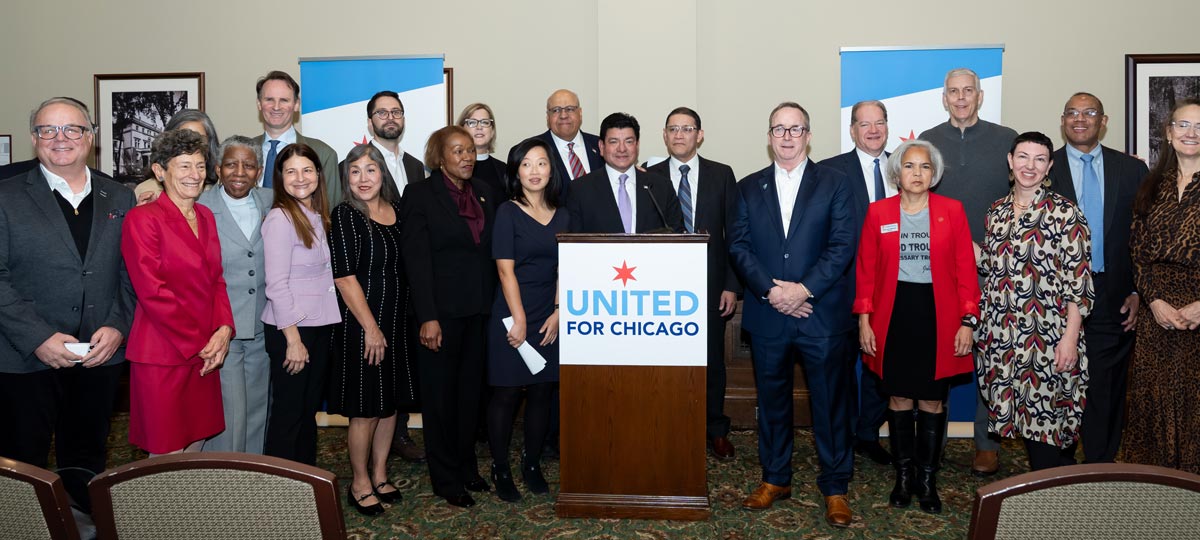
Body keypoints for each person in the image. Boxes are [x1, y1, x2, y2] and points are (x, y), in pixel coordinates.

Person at [0, 97, 135, 514]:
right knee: (24, 466)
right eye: (48, 130)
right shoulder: (5, 197)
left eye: (72, 129)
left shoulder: (120, 196)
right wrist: (38, 337)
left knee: (86, 462)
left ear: (90, 137)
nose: (60, 139)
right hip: (25, 358)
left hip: (99, 354)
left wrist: (117, 327)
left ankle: (85, 525)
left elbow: (131, 276)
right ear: (34, 139)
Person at [728, 102, 857, 528]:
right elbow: (740, 246)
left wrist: (802, 290)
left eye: (795, 129)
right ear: (769, 136)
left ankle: (835, 487)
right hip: (769, 315)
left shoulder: (835, 183)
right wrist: (771, 291)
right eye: (779, 129)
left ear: (808, 135)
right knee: (773, 402)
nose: (787, 136)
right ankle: (775, 478)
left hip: (819, 315)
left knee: (830, 404)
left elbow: (842, 245)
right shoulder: (749, 187)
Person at [854, 140, 979, 513]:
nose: (917, 173)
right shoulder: (879, 213)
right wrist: (864, 321)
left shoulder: (951, 211)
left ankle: (927, 479)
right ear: (897, 172)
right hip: (892, 316)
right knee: (898, 398)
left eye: (925, 167)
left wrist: (967, 321)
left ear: (934, 174)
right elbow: (866, 272)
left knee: (931, 399)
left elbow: (965, 271)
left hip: (937, 315)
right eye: (909, 166)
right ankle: (903, 477)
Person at [919, 67, 1018, 476]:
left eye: (968, 91)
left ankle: (986, 441)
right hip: (937, 269)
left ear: (980, 96)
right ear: (944, 98)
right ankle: (932, 440)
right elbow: (917, 200)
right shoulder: (927, 141)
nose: (960, 98)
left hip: (993, 270)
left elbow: (1023, 198)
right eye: (953, 92)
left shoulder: (1006, 139)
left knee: (989, 357)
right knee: (939, 356)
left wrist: (991, 248)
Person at [976, 131, 1093, 471]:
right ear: (1011, 162)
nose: (1030, 165)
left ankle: (1048, 502)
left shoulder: (1065, 213)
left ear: (1049, 166)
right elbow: (992, 265)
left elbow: (1079, 284)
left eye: (1039, 159)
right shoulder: (996, 211)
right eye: (1023, 157)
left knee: (1046, 422)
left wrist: (1070, 339)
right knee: (1021, 419)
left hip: (1047, 337)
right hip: (1002, 336)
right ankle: (1046, 491)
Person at [121, 128, 235, 455]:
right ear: (160, 171)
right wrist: (202, 343)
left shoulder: (206, 216)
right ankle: (158, 509)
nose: (194, 174)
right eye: (184, 166)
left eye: (200, 166)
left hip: (206, 352)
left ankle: (189, 507)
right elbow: (152, 292)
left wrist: (224, 330)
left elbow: (217, 280)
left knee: (197, 440)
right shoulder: (142, 220)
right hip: (163, 354)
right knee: (166, 452)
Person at [1047, 92, 1147, 464]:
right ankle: (1058, 467)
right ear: (1063, 120)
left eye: (1089, 113)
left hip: (1112, 293)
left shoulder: (1131, 169)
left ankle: (1099, 467)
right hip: (1056, 296)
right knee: (1060, 378)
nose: (1080, 119)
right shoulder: (1044, 166)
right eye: (1072, 112)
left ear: (1102, 122)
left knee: (1105, 386)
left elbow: (1145, 235)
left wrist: (1138, 289)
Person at [402, 126, 498, 508]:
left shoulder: (486, 193)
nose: (467, 157)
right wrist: (428, 316)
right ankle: (445, 478)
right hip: (439, 317)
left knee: (470, 398)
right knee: (441, 401)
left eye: (470, 150)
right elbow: (416, 260)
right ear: (440, 158)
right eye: (457, 151)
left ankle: (466, 466)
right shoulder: (420, 195)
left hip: (479, 314)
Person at [645, 106, 741, 460]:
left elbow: (734, 234)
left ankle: (715, 428)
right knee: (665, 360)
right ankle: (671, 425)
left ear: (699, 135)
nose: (680, 135)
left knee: (711, 360)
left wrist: (731, 284)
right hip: (661, 287)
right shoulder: (648, 176)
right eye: (673, 129)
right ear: (665, 135)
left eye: (687, 129)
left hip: (711, 285)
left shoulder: (722, 175)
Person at [327, 144, 411, 515]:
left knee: (390, 404)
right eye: (355, 172)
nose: (363, 179)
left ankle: (380, 474)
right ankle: (359, 482)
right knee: (366, 409)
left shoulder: (397, 212)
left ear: (383, 174)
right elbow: (345, 278)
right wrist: (372, 329)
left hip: (397, 322)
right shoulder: (346, 214)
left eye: (371, 170)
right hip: (364, 325)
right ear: (347, 178)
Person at [486, 137, 568, 503]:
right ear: (516, 172)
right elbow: (505, 271)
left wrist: (558, 312)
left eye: (541, 163)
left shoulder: (565, 215)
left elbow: (568, 267)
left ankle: (531, 463)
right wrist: (518, 320)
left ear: (551, 170)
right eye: (526, 164)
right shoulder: (507, 211)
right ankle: (500, 466)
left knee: (541, 393)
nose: (535, 171)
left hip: (549, 315)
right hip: (511, 314)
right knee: (505, 394)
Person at [1122, 98, 1200, 474]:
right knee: (1153, 400)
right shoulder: (1151, 186)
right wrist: (1153, 301)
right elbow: (1137, 252)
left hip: (1199, 310)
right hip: (1158, 312)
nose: (1191, 133)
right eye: (1183, 125)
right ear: (1169, 134)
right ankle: (1156, 491)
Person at [818, 100, 895, 465]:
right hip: (843, 287)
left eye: (879, 123)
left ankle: (868, 432)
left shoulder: (906, 167)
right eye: (865, 124)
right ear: (852, 130)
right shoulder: (829, 171)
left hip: (894, 289)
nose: (873, 130)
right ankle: (843, 433)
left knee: (882, 367)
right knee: (842, 366)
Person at [261, 143, 341, 466]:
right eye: (291, 171)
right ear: (280, 178)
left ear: (319, 175)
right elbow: (276, 285)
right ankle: (277, 494)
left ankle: (305, 484)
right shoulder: (280, 218)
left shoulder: (317, 215)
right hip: (291, 331)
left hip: (319, 327)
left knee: (307, 413)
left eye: (307, 170)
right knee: (289, 415)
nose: (300, 178)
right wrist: (293, 340)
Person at [198, 135, 273, 454]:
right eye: (231, 164)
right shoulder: (199, 206)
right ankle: (222, 481)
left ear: (259, 171)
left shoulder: (272, 201)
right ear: (217, 168)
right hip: (220, 329)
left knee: (258, 408)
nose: (239, 172)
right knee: (229, 413)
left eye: (248, 165)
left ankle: (252, 476)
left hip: (262, 325)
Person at [566, 112, 683, 234]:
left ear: (637, 145)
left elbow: (677, 234)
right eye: (613, 142)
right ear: (601, 146)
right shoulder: (580, 190)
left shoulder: (661, 187)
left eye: (628, 141)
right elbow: (574, 242)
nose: (622, 149)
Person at [252, 71, 340, 202]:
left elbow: (331, 208)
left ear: (296, 104)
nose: (276, 107)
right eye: (269, 100)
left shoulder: (323, 154)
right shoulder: (245, 151)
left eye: (284, 100)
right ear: (259, 104)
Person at [134, 109, 221, 205]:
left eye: (199, 139)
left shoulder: (220, 189)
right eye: (184, 139)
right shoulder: (148, 191)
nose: (191, 146)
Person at [530, 89, 604, 199]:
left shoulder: (602, 146)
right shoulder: (531, 150)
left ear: (580, 112)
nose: (563, 115)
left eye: (570, 109)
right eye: (556, 110)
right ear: (547, 116)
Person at [356, 91, 425, 197]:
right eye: (382, 113)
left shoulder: (416, 166)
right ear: (370, 122)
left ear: (403, 120)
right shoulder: (353, 166)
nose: (390, 118)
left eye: (396, 112)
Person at [459, 103, 506, 196]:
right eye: (472, 122)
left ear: (492, 131)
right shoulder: (453, 167)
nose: (479, 127)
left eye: (485, 122)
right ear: (462, 130)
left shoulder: (503, 170)